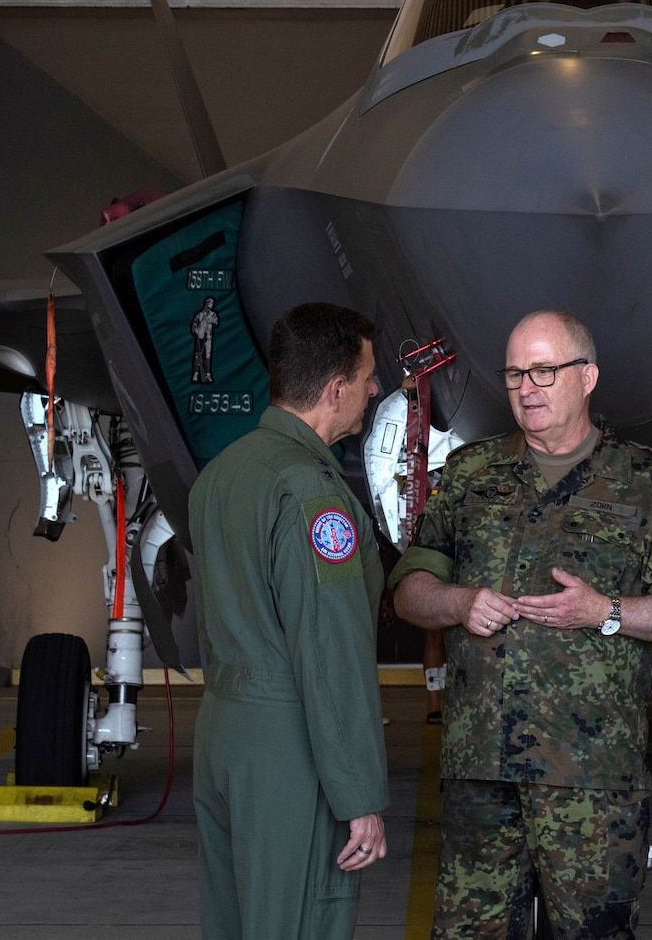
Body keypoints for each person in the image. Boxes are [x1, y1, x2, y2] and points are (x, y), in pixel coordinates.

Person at [391, 310, 652, 940]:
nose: (526, 387)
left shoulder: (646, 480)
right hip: (481, 774)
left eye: (544, 370)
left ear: (587, 377)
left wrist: (606, 612)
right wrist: (458, 603)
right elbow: (410, 591)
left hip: (592, 779)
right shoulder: (469, 474)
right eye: (515, 373)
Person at [188, 302, 389, 940]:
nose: (375, 389)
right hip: (288, 750)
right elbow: (328, 654)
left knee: (234, 922)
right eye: (367, 376)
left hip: (222, 734)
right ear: (336, 389)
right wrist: (359, 798)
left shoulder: (221, 474)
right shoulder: (308, 492)